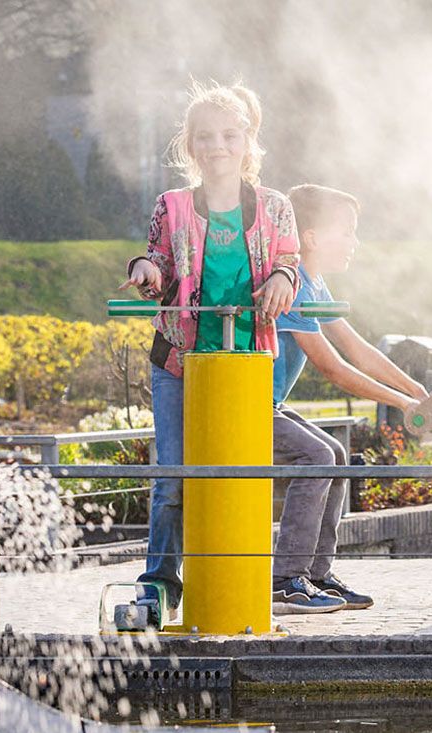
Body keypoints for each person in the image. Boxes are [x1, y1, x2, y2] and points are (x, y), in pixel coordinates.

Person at [119, 81, 301, 616]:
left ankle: (239, 583)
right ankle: (158, 586)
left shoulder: (275, 207)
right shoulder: (171, 206)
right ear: (190, 145)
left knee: (240, 479)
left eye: (228, 134)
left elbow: (288, 262)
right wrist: (145, 270)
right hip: (180, 364)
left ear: (248, 139)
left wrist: (284, 277)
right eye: (204, 136)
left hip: (246, 366)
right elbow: (154, 259)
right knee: (174, 477)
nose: (216, 145)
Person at [268, 184, 431, 613]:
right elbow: (334, 368)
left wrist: (414, 391)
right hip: (247, 407)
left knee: (336, 453)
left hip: (270, 405)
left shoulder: (314, 283)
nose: (354, 242)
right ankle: (285, 578)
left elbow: (359, 350)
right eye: (348, 231)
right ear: (312, 237)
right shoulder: (294, 285)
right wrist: (400, 403)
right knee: (318, 455)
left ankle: (316, 574)